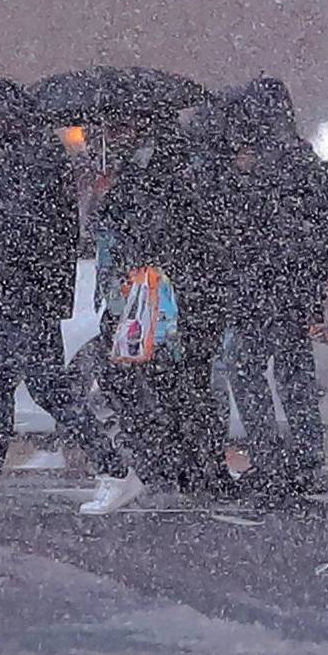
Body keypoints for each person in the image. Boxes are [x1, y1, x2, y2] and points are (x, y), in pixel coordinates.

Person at [0, 79, 141, 516]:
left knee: (45, 388)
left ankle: (115, 470)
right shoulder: (23, 153)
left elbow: (19, 222)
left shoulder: (36, 156)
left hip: (28, 292)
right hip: (19, 290)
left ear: (4, 117)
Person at [215, 79, 328, 503]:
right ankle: (306, 460)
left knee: (246, 369)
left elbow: (237, 225)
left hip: (256, 286)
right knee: (293, 372)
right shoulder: (305, 163)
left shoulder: (254, 163)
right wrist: (321, 262)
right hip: (295, 288)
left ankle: (268, 458)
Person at [94, 103, 233, 497]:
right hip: (192, 294)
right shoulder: (192, 170)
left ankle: (169, 464)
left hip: (162, 295)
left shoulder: (150, 173)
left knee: (152, 381)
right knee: (187, 384)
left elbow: (142, 229)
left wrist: (113, 203)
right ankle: (199, 467)